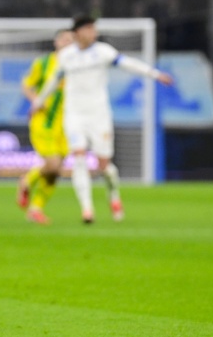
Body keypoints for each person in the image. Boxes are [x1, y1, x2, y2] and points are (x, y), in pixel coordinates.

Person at [33, 15, 173, 224]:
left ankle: (114, 196)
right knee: (79, 157)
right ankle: (87, 210)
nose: (94, 33)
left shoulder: (103, 52)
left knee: (104, 166)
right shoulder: (66, 56)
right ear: (78, 32)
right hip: (74, 115)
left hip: (99, 115)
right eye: (89, 29)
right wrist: (38, 102)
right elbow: (53, 81)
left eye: (94, 29)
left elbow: (127, 63)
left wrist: (154, 74)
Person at [16, 29, 75, 224]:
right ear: (56, 42)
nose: (68, 43)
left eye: (72, 40)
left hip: (67, 126)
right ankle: (27, 180)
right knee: (53, 164)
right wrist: (36, 101)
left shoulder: (78, 65)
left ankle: (36, 209)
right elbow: (26, 85)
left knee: (55, 171)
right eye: (64, 39)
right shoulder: (43, 64)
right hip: (44, 122)